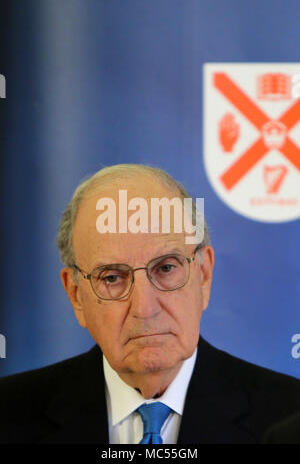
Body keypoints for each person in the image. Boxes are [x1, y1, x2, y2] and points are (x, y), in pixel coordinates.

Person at [0, 163, 300, 444]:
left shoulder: (289, 414)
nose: (145, 308)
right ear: (76, 294)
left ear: (203, 275)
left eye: (166, 268)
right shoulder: (9, 415)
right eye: (113, 277)